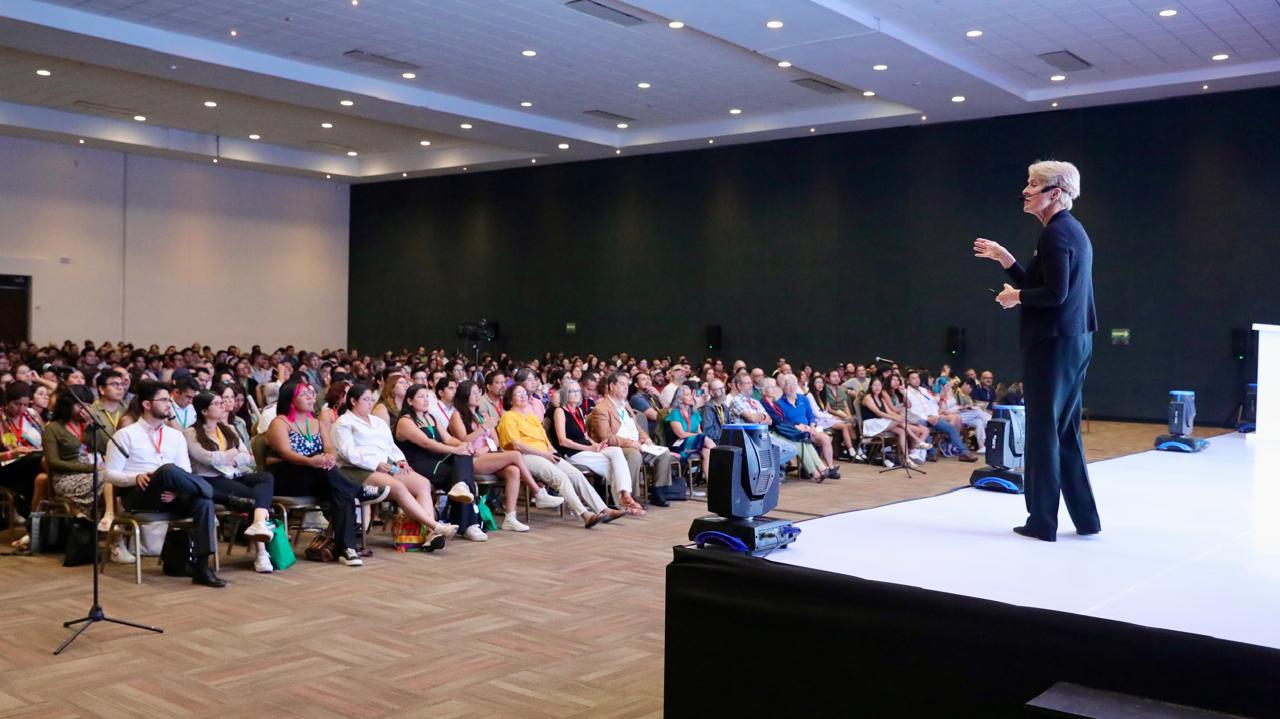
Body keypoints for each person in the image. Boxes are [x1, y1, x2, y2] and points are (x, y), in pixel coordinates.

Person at [975, 159, 1100, 542]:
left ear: (1055, 193)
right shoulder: (1070, 230)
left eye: (1034, 185)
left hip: (1053, 343)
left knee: (1043, 432)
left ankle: (1042, 521)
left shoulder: (1055, 234)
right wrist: (1007, 261)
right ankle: (1085, 518)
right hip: (1074, 339)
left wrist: (1016, 297)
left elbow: (1053, 293)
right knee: (1064, 433)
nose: (1025, 191)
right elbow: (1043, 283)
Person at [102, 381, 227, 587]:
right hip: (140, 493)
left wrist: (178, 492)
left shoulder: (175, 435)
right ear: (147, 404)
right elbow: (109, 474)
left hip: (172, 494)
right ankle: (223, 496)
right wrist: (135, 477)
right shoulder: (125, 435)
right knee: (166, 470)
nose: (169, 404)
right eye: (163, 400)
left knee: (203, 502)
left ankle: (202, 567)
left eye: (169, 400)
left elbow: (185, 472)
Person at [264, 380, 365, 565]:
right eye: (304, 394)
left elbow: (329, 447)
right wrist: (312, 461)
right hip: (287, 476)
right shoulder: (280, 423)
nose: (311, 397)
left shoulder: (316, 422)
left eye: (311, 393)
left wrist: (330, 457)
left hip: (316, 475)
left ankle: (347, 550)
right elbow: (287, 454)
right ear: (291, 401)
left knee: (340, 492)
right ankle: (359, 490)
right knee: (324, 470)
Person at [184, 391, 277, 573]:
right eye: (217, 403)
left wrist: (231, 459)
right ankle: (262, 553)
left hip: (232, 474)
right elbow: (206, 458)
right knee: (255, 497)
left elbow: (247, 456)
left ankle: (259, 522)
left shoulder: (230, 429)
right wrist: (231, 455)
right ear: (204, 410)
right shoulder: (191, 432)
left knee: (265, 478)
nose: (224, 406)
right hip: (209, 479)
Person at [448, 379, 558, 532]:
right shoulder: (457, 416)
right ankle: (538, 492)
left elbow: (495, 439)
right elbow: (464, 441)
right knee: (514, 455)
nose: (477, 395)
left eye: (478, 392)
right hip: (471, 460)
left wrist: (486, 447)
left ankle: (510, 518)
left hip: (487, 454)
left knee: (514, 471)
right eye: (473, 392)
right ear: (464, 395)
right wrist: (482, 428)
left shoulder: (483, 414)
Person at [42, 384, 134, 563]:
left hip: (94, 473)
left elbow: (101, 448)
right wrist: (89, 469)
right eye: (79, 404)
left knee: (115, 482)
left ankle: (113, 531)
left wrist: (92, 428)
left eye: (86, 405)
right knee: (108, 478)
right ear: (67, 405)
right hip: (67, 478)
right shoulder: (53, 428)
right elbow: (53, 462)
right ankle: (115, 539)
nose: (83, 409)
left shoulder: (88, 426)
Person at [497, 384, 611, 529]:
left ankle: (602, 509)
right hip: (525, 456)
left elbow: (545, 440)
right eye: (518, 394)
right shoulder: (508, 417)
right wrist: (545, 454)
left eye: (524, 393)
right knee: (560, 478)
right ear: (510, 400)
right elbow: (516, 446)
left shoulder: (532, 417)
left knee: (576, 475)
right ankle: (584, 514)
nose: (523, 396)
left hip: (545, 454)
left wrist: (552, 452)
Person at [389, 383, 482, 543]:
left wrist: (462, 445)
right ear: (410, 401)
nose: (425, 400)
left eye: (427, 396)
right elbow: (426, 443)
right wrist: (455, 450)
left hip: (437, 460)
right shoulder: (406, 421)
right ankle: (469, 524)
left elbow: (448, 439)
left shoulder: (431, 417)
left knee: (464, 456)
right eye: (420, 396)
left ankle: (461, 491)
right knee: (458, 476)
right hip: (417, 464)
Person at [587, 372, 676, 506]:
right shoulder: (602, 408)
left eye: (626, 384)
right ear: (611, 386)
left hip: (636, 443)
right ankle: (631, 497)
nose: (626, 387)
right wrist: (632, 443)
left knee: (664, 452)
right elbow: (605, 437)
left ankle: (659, 492)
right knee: (634, 455)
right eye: (622, 384)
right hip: (616, 447)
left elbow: (636, 427)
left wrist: (645, 438)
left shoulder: (625, 404)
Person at [552, 379, 637, 516]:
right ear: (564, 394)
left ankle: (624, 497)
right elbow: (563, 441)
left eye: (577, 391)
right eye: (571, 391)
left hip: (586, 450)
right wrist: (589, 449)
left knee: (615, 451)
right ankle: (623, 502)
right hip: (572, 453)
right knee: (614, 467)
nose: (575, 394)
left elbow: (584, 436)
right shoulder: (560, 412)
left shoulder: (578, 410)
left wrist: (596, 445)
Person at [764, 377, 839, 480]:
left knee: (824, 438)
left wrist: (811, 426)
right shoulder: (779, 403)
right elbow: (780, 422)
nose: (791, 388)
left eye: (794, 385)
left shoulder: (803, 398)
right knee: (801, 441)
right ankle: (817, 472)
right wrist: (797, 426)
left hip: (806, 429)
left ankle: (827, 468)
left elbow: (810, 415)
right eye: (788, 385)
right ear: (783, 388)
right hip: (790, 432)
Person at [905, 371, 979, 462]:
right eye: (913, 378)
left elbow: (932, 404)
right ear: (908, 381)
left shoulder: (923, 390)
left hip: (932, 416)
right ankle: (931, 453)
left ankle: (964, 452)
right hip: (919, 418)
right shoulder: (906, 392)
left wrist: (935, 416)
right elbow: (910, 410)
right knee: (923, 427)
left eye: (917, 378)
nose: (916, 380)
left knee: (950, 428)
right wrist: (927, 418)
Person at [860, 376, 920, 469]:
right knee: (899, 422)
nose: (877, 387)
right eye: (875, 385)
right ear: (871, 386)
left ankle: (907, 459)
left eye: (879, 385)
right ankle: (917, 440)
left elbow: (890, 412)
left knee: (901, 431)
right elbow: (878, 413)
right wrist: (896, 418)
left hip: (880, 423)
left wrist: (898, 417)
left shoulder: (881, 399)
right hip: (871, 424)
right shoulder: (868, 397)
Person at [664, 385, 714, 476]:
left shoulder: (695, 413)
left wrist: (700, 437)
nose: (691, 397)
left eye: (691, 394)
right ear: (679, 399)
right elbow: (681, 434)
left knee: (707, 451)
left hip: (694, 442)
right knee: (705, 439)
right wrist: (700, 437)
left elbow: (699, 432)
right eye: (687, 395)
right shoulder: (675, 413)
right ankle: (721, 459)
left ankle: (710, 485)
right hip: (679, 444)